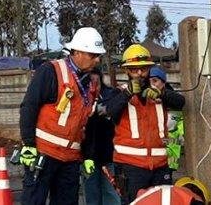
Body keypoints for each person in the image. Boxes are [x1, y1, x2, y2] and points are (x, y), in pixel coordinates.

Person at [18, 27, 105, 205]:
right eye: (93, 55)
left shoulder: (90, 84)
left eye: (98, 56)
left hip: (70, 160)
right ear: (78, 52)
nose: (97, 60)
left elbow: (88, 124)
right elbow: (29, 107)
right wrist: (28, 145)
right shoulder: (50, 71)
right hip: (43, 154)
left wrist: (88, 155)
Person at [99, 44, 185, 203]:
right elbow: (110, 111)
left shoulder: (158, 89)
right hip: (130, 167)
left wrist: (161, 93)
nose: (139, 73)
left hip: (160, 165)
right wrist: (128, 93)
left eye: (143, 69)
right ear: (126, 71)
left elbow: (180, 102)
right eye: (134, 69)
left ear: (149, 69)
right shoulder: (119, 92)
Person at [81, 70, 121, 205]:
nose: (94, 87)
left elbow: (114, 111)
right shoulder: (81, 98)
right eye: (90, 83)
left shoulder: (110, 95)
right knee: (92, 193)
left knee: (111, 193)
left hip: (108, 154)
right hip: (87, 157)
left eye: (96, 83)